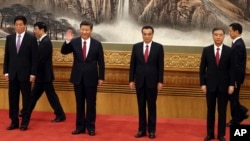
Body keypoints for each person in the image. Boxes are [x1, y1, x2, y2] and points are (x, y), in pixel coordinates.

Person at [61, 21, 105, 136]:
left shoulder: (97, 44)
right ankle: (79, 127)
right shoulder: (74, 42)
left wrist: (101, 77)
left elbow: (101, 62)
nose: (84, 32)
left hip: (92, 78)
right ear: (80, 30)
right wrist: (67, 41)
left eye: (87, 30)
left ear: (91, 31)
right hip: (78, 78)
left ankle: (91, 127)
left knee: (91, 104)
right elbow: (64, 51)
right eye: (82, 29)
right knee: (79, 103)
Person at [3, 15, 39, 131]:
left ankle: (24, 122)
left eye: (20, 25)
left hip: (26, 75)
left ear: (25, 25)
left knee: (26, 100)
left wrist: (33, 74)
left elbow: (35, 58)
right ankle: (14, 122)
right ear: (14, 26)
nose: (18, 27)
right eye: (16, 25)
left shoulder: (31, 39)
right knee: (13, 99)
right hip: (12, 74)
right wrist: (6, 72)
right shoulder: (9, 38)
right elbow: (7, 57)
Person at [129, 25, 164, 139]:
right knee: (141, 107)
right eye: (145, 34)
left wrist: (160, 81)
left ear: (152, 35)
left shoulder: (158, 47)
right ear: (142, 35)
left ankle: (152, 131)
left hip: (152, 82)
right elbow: (132, 65)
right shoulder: (136, 47)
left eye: (149, 34)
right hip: (139, 82)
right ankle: (141, 130)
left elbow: (160, 66)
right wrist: (131, 80)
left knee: (152, 107)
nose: (147, 36)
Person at [200, 27, 234, 141]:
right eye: (216, 34)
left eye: (220, 35)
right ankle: (210, 134)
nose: (218, 37)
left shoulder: (229, 51)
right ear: (212, 36)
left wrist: (231, 85)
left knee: (222, 111)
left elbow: (231, 70)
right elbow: (202, 69)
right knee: (210, 111)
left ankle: (221, 135)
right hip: (210, 86)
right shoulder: (207, 50)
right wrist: (203, 84)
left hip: (224, 86)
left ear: (224, 36)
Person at [28, 21, 66, 122]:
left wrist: (33, 71)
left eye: (35, 29)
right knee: (34, 95)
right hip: (42, 75)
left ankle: (60, 115)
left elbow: (40, 59)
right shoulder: (42, 41)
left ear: (42, 30)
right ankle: (25, 112)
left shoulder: (45, 42)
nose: (34, 31)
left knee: (51, 96)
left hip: (44, 75)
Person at [226, 23, 248, 126]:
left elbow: (236, 65)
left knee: (233, 99)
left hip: (235, 78)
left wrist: (233, 80)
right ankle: (241, 113)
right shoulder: (237, 43)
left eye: (230, 31)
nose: (229, 33)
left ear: (237, 31)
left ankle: (237, 118)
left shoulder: (238, 45)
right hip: (236, 77)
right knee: (232, 98)